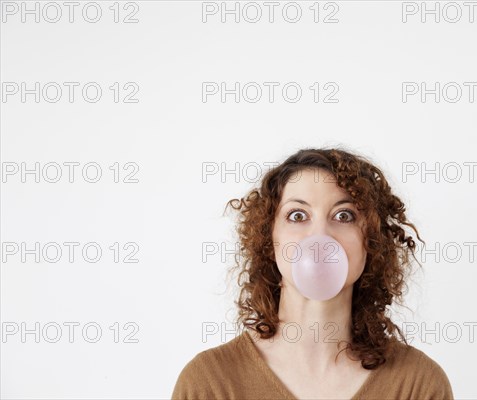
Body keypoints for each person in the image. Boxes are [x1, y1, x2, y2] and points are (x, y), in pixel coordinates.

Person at [171, 147, 454, 399]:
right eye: (298, 215)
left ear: (371, 241)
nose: (320, 236)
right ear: (269, 239)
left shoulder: (417, 385)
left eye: (344, 215)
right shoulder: (209, 384)